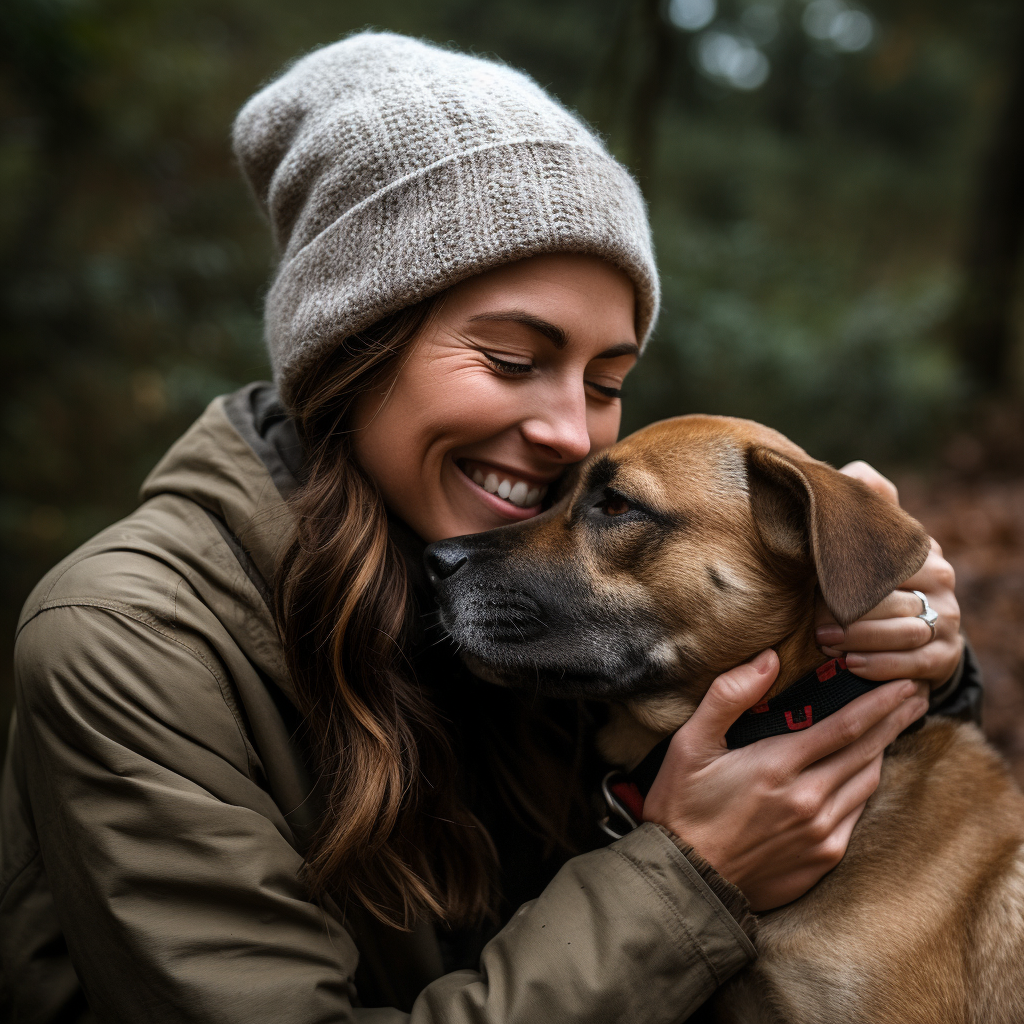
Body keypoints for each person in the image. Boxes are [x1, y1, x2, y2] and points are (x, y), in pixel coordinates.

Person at [0, 32, 977, 1024]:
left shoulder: (521, 592)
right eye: (512, 359)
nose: (567, 431)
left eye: (606, 384)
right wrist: (686, 878)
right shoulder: (128, 643)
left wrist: (902, 654)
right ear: (352, 351)